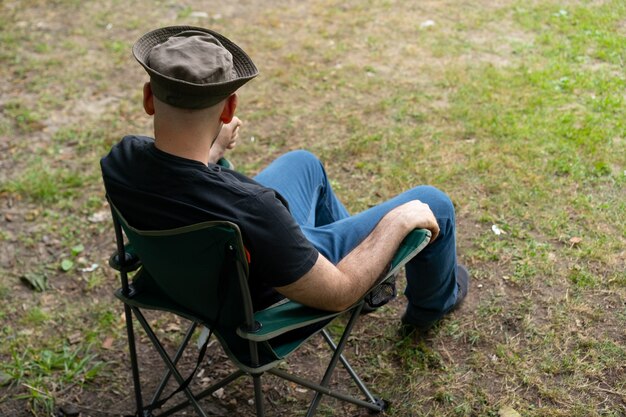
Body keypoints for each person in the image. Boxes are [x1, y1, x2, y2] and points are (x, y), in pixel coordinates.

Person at [101, 26, 468, 333]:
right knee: (430, 201)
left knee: (303, 164)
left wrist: (212, 154)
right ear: (229, 108)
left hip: (197, 279)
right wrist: (396, 222)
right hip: (269, 297)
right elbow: (336, 293)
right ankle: (431, 307)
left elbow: (177, 183)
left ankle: (368, 271)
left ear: (149, 98)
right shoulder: (254, 209)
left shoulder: (120, 160)